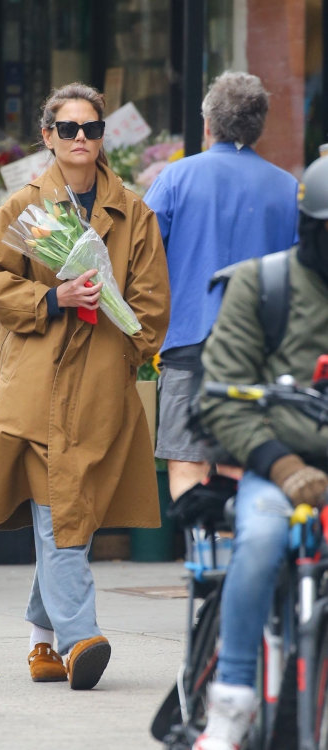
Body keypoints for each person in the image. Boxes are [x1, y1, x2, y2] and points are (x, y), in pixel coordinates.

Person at [0, 82, 170, 689]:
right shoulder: (24, 206)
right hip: (39, 390)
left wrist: (123, 336)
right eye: (69, 128)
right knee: (61, 509)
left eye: (92, 128)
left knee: (70, 510)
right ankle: (81, 636)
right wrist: (51, 299)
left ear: (103, 136)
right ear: (47, 136)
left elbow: (153, 304)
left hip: (102, 392)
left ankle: (39, 641)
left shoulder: (133, 211)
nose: (81, 139)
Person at [192, 155, 328, 750]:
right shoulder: (261, 284)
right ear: (312, 228)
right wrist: (284, 465)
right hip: (278, 469)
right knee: (262, 542)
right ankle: (233, 700)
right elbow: (221, 397)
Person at [144, 71, 299, 502]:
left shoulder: (175, 179)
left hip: (187, 339)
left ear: (208, 124)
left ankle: (200, 557)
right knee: (241, 460)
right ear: (259, 127)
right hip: (259, 347)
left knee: (186, 460)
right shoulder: (288, 189)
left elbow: (137, 255)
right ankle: (235, 560)